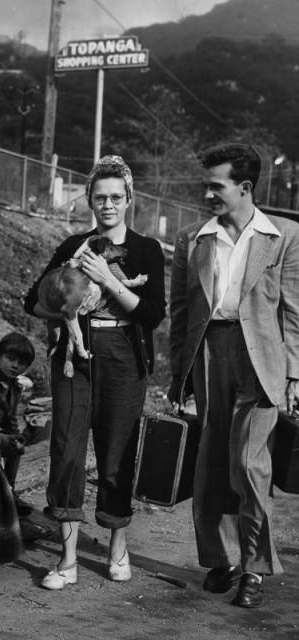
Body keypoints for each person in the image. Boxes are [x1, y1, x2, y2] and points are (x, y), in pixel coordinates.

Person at [24, 155, 165, 590]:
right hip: (75, 355)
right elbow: (33, 300)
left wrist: (108, 278)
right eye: (99, 197)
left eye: (115, 198)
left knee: (117, 450)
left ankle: (116, 546)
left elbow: (153, 314)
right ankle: (67, 559)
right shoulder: (73, 246)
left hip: (124, 351)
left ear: (129, 200)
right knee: (66, 448)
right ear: (88, 200)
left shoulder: (146, 249)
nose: (107, 205)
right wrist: (64, 303)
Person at [169, 143, 299, 608]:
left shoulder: (284, 235)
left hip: (262, 358)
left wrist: (295, 375)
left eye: (215, 185)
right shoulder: (192, 239)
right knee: (212, 464)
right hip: (209, 353)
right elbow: (180, 314)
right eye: (206, 185)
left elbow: (294, 312)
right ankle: (220, 561)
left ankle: (255, 568)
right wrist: (177, 377)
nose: (208, 194)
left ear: (244, 188)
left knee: (248, 462)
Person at [0, 332, 36, 514]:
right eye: (11, 359)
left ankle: (9, 491)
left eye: (21, 363)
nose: (15, 366)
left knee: (16, 445)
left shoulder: (14, 387)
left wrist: (16, 436)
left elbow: (11, 418)